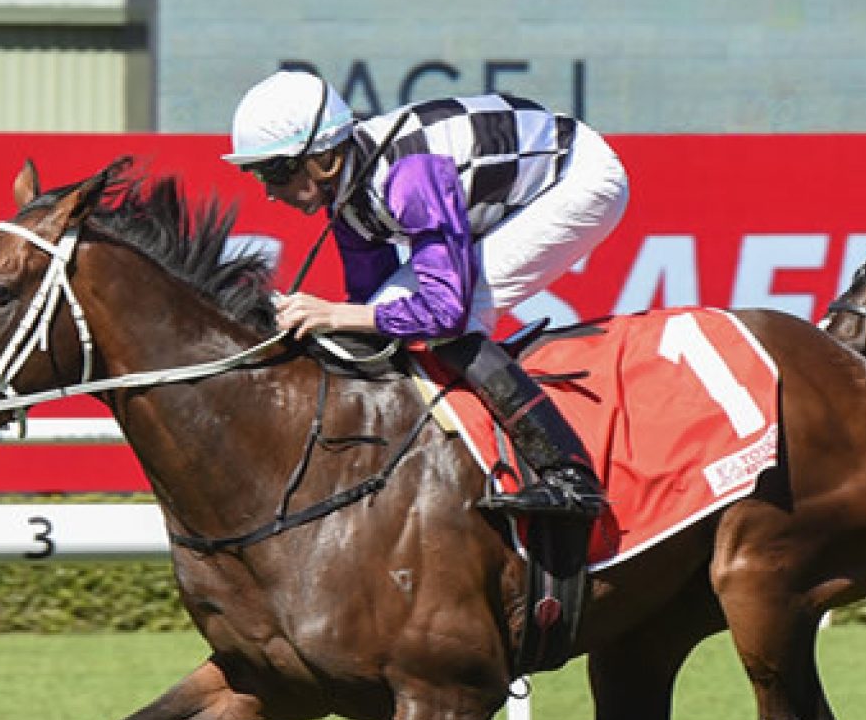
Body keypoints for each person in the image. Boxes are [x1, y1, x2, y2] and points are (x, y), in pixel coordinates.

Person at [223, 69, 631, 520]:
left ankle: (569, 475)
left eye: (275, 172)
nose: (269, 193)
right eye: (257, 173)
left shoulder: (409, 177)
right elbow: (372, 309)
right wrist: (332, 322)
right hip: (512, 184)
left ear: (324, 159)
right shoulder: (346, 195)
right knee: (381, 315)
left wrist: (335, 316)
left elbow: (443, 313)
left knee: (464, 315)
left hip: (578, 179)